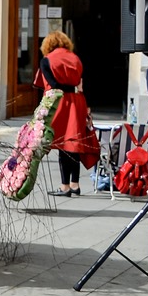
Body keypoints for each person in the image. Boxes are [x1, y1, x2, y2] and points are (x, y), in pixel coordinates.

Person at [37, 31, 95, 196]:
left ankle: (65, 187)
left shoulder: (46, 60)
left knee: (63, 144)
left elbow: (52, 84)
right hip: (77, 101)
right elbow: (81, 82)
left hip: (60, 102)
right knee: (74, 143)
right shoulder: (75, 58)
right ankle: (75, 184)